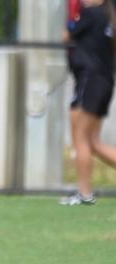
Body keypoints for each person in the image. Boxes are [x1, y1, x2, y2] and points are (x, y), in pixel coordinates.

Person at [60, 0, 116, 205]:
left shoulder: (91, 14)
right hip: (102, 81)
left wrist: (73, 17)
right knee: (93, 142)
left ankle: (84, 194)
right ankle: (83, 193)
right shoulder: (107, 15)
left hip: (91, 80)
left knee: (81, 139)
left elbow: (66, 35)